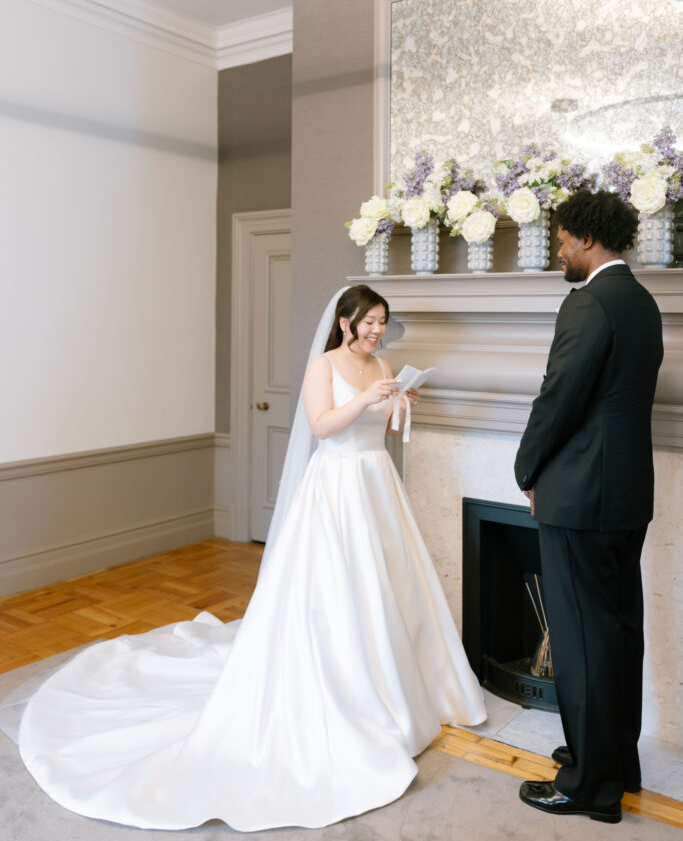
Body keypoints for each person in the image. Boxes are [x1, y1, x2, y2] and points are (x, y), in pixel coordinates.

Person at [5, 284, 486, 832]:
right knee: (339, 589)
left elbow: (385, 427)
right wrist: (365, 399)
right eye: (369, 321)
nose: (377, 330)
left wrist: (401, 403)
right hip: (336, 487)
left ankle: (399, 686)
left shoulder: (381, 364)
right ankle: (347, 688)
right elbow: (322, 426)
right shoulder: (324, 365)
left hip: (378, 485)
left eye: (382, 321)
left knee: (390, 587)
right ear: (345, 321)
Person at [514, 191, 663, 824]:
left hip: (579, 496)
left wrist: (525, 468)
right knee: (619, 631)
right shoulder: (642, 301)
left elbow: (559, 397)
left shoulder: (588, 302)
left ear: (587, 238)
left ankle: (590, 787)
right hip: (626, 493)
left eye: (562, 240)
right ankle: (614, 760)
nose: (559, 251)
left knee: (580, 641)